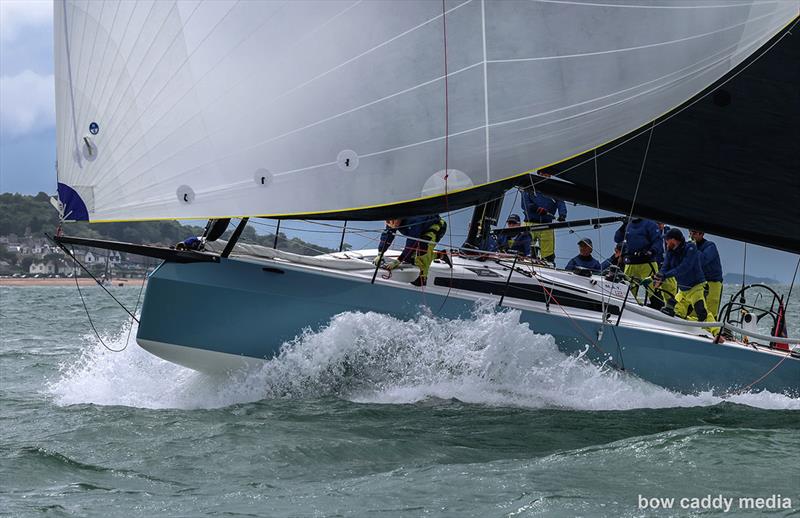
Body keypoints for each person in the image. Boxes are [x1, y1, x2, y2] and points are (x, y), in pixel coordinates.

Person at [655, 228, 717, 333]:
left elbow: (684, 267)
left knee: (701, 311)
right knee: (674, 310)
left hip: (696, 287)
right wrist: (659, 277)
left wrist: (665, 275)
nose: (666, 242)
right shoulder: (670, 251)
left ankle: (716, 333)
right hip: (683, 290)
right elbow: (665, 267)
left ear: (675, 240)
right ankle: (683, 329)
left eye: (668, 240)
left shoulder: (691, 248)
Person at [375, 215, 446, 285]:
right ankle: (442, 255)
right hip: (420, 228)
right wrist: (380, 253)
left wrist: (398, 261)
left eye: (393, 220)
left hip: (434, 226)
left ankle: (422, 278)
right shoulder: (391, 220)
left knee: (422, 248)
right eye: (387, 221)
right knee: (411, 258)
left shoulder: (414, 221)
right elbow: (388, 235)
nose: (391, 223)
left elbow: (411, 243)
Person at [614, 217, 660, 303]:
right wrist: (624, 225)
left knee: (649, 292)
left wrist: (651, 251)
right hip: (631, 263)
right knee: (628, 292)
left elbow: (658, 241)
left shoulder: (650, 224)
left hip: (647, 263)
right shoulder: (628, 224)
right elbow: (617, 239)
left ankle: (646, 308)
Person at [520, 189, 567, 263]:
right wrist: (536, 208)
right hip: (529, 223)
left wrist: (562, 215)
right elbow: (525, 204)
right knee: (521, 248)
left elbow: (560, 201)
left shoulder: (553, 189)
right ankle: (521, 260)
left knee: (548, 254)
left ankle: (548, 263)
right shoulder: (529, 187)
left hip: (546, 225)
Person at [689, 229, 723, 319]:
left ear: (702, 234)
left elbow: (702, 260)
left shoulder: (710, 246)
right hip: (698, 282)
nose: (691, 236)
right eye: (690, 233)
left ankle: (710, 325)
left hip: (713, 282)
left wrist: (693, 248)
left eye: (694, 233)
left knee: (710, 309)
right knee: (694, 307)